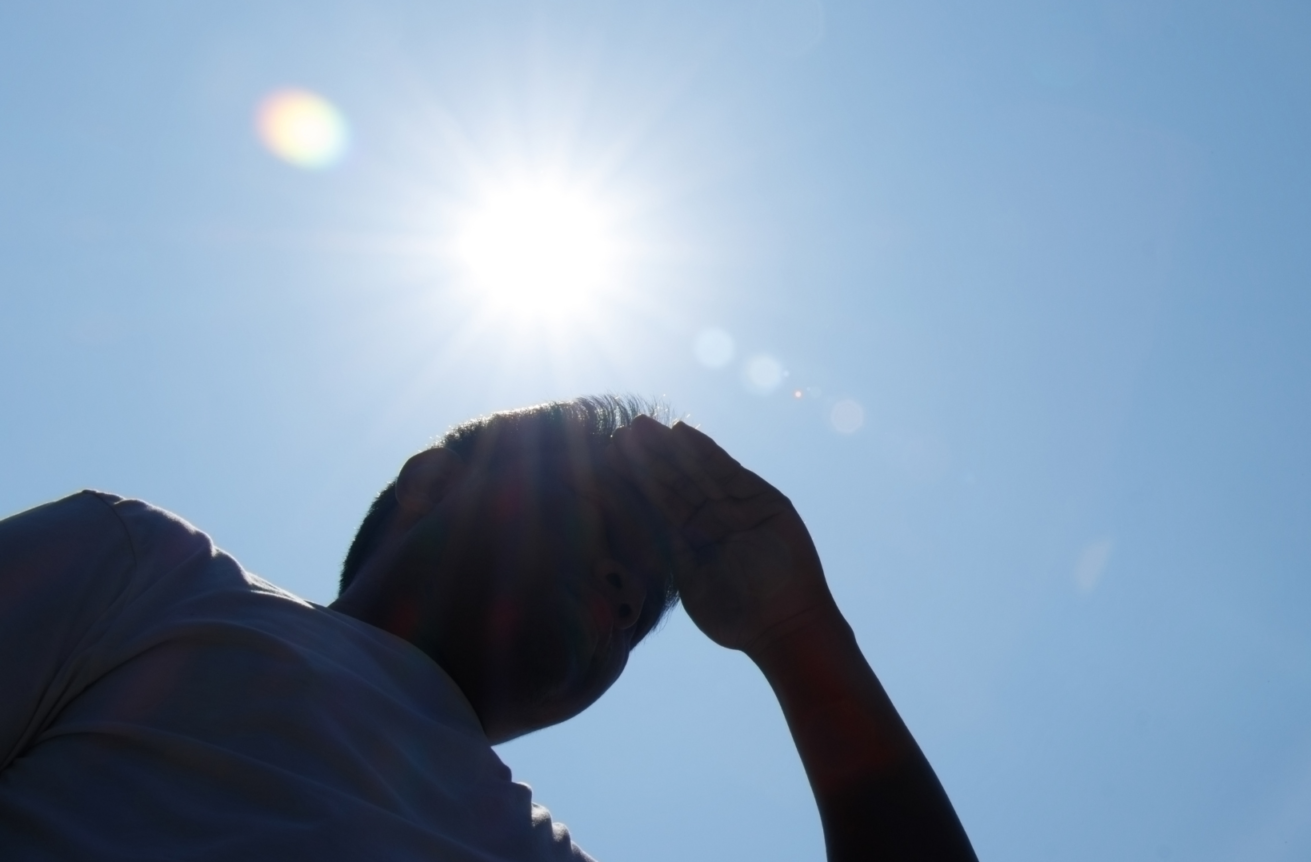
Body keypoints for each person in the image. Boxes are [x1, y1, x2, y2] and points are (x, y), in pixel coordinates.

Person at [0, 396, 977, 862]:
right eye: (593, 526)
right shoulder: (148, 575)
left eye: (636, 609)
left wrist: (802, 639)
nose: (617, 587)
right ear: (433, 483)